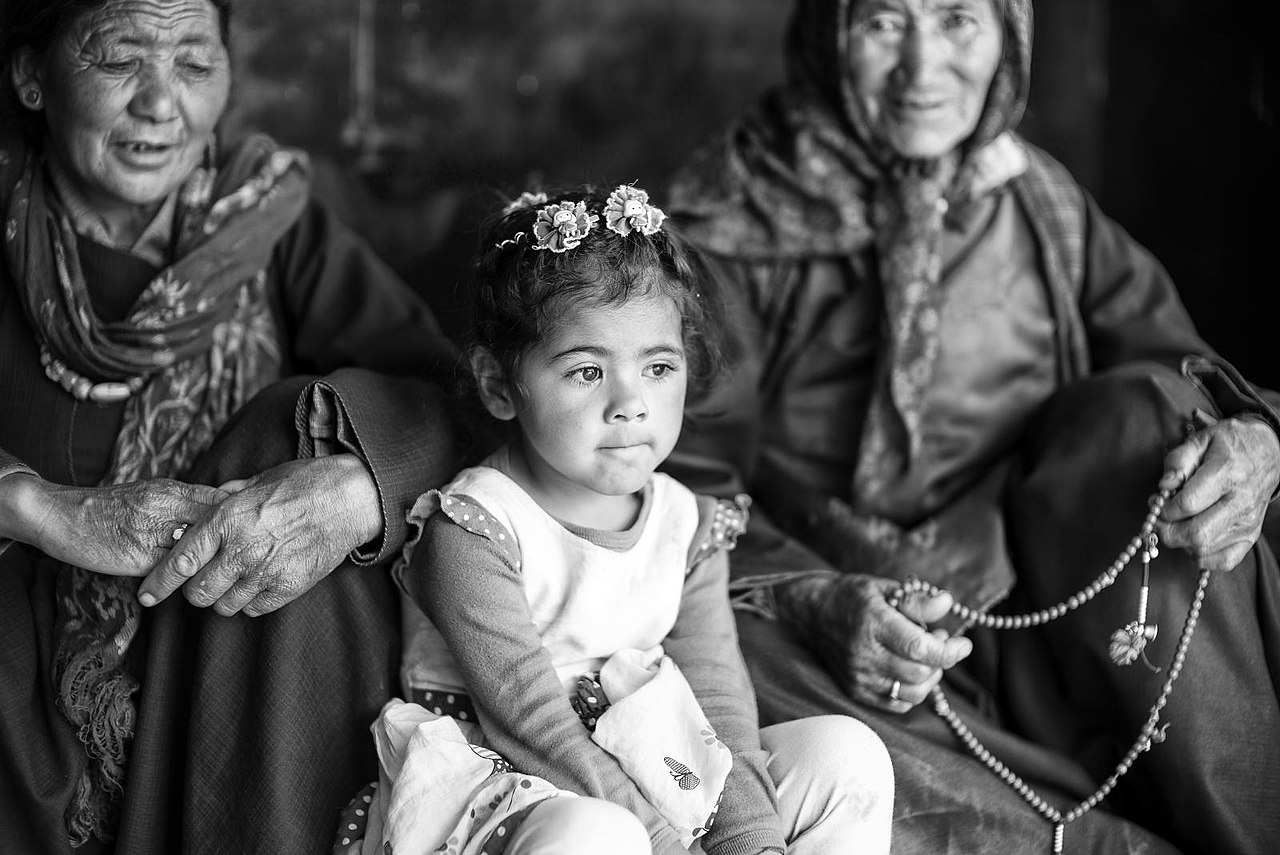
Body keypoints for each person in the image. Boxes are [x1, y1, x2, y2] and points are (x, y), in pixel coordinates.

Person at [662, 0, 1280, 853]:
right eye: (883, 24)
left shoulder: (1034, 200)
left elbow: (1184, 369)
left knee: (1158, 422)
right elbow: (677, 489)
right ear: (826, 35)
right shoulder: (734, 219)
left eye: (958, 20)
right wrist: (816, 599)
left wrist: (1256, 449)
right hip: (856, 640)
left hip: (1058, 612)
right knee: (699, 652)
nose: (924, 71)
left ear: (1010, 40)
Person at [0, 1, 461, 853]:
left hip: (233, 655)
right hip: (27, 691)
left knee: (297, 429)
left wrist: (358, 487)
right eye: (119, 58)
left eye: (194, 62)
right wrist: (47, 511)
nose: (160, 103)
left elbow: (447, 393)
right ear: (33, 77)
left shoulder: (266, 221)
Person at [337, 186, 894, 855]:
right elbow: (531, 725)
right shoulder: (476, 527)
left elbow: (719, 703)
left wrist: (751, 840)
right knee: (600, 835)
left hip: (658, 768)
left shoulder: (686, 525)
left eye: (658, 366)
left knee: (846, 752)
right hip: (516, 788)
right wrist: (668, 842)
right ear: (497, 384)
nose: (630, 404)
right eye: (585, 372)